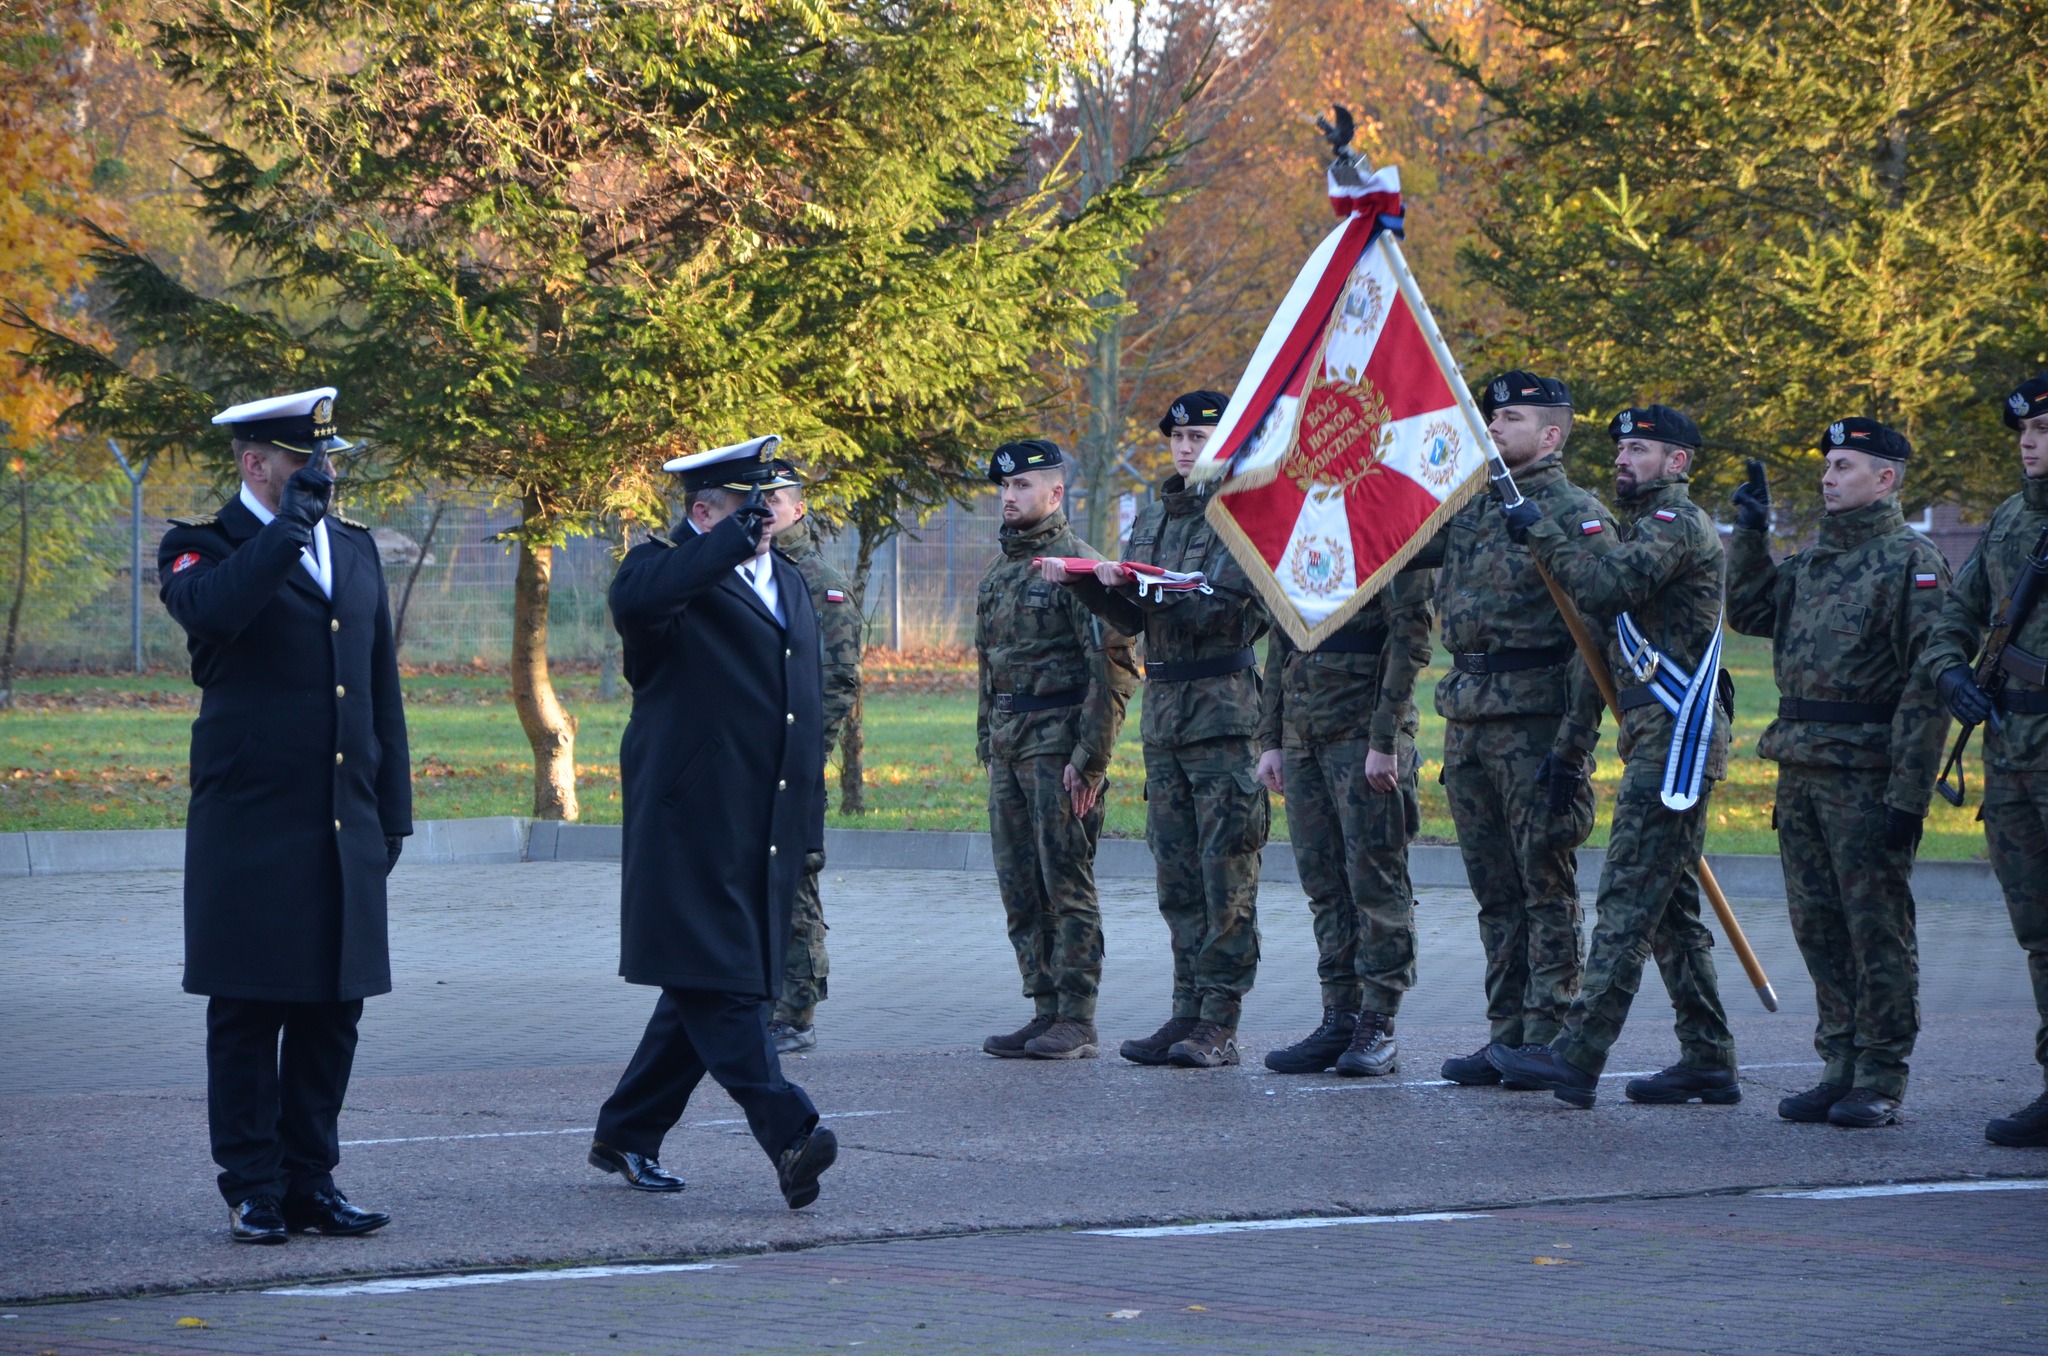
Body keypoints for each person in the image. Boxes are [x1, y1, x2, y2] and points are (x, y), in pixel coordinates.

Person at [158, 387, 409, 1244]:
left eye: (329, 460)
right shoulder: (202, 547)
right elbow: (214, 614)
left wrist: (393, 809)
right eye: (307, 461)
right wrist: (289, 526)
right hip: (252, 821)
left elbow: (378, 687)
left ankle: (311, 1180)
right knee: (247, 1010)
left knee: (332, 1011)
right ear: (255, 461)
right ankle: (252, 1186)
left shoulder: (355, 547)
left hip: (343, 817)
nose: (324, 474)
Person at [590, 436, 837, 1209]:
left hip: (767, 819)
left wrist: (806, 818)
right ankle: (788, 1130)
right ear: (704, 513)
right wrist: (724, 545)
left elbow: (802, 706)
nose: (765, 518)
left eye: (768, 504)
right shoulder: (659, 571)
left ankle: (628, 1129)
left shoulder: (786, 580)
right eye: (745, 507)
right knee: (726, 987)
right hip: (691, 818)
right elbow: (640, 606)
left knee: (711, 981)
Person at [1492, 404, 1739, 1109]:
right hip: (1649, 735)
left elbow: (1604, 590)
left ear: (1677, 462)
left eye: (1639, 449)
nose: (1623, 459)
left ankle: (1577, 1055)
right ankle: (1708, 1057)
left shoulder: (1675, 524)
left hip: (1677, 741)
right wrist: (1571, 747)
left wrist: (1542, 530)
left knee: (1627, 899)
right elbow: (1597, 648)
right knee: (1670, 911)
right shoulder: (1639, 530)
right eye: (1621, 448)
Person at [1726, 419, 1949, 1129]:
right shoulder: (1813, 562)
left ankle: (1880, 1074)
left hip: (1866, 776)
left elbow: (1927, 689)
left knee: (1875, 928)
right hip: (1801, 767)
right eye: (1827, 465)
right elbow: (1751, 611)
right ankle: (1839, 1064)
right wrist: (1752, 534)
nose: (1828, 477)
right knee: (1818, 926)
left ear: (1885, 479)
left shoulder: (1912, 562)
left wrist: (1909, 795)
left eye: (1844, 466)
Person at [1046, 390, 1270, 1068]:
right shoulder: (1152, 517)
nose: (1185, 447)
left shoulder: (1247, 515)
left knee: (1226, 876)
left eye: (1200, 437)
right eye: (1178, 437)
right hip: (1167, 716)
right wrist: (1089, 584)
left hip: (1224, 715)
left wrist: (1142, 586)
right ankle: (1186, 1010)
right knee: (1177, 879)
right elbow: (1135, 620)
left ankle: (1220, 1022)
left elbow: (1225, 611)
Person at [1429, 373, 1608, 1090]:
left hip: (1536, 722)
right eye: (1492, 416)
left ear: (1551, 435)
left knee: (1544, 884)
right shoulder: (1472, 507)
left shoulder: (1575, 513)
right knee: (1494, 890)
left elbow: (1595, 642)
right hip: (1469, 715)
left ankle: (1548, 1032)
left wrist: (1573, 743)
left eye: (1511, 417)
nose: (1494, 426)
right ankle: (1505, 1033)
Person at [976, 440, 1140, 1059]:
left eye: (1023, 485)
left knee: (1066, 882)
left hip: (1059, 749)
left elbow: (1114, 670)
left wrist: (1090, 759)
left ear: (1055, 493)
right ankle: (1044, 1007)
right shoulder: (999, 574)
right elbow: (990, 667)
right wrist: (986, 737)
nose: (1010, 496)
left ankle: (1077, 1016)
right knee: (1020, 886)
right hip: (1009, 746)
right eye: (1005, 487)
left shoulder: (1079, 567)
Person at [1922, 371, 2048, 1149]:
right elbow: (1955, 617)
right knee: (2039, 932)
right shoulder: (2009, 520)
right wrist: (1951, 675)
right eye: (2025, 432)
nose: (2029, 444)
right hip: (2012, 755)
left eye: (2043, 431)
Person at [1256, 570, 1434, 1077]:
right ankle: (1340, 1016)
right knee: (1325, 886)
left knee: (1375, 883)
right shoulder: (1302, 541)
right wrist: (1271, 738)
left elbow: (1410, 639)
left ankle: (1378, 1022)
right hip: (1303, 735)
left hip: (1362, 735)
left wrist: (1385, 738)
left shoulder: (1389, 538)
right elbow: (1281, 641)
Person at [763, 458, 864, 1056]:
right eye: (756, 498)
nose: (764, 507)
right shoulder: (739, 571)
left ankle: (796, 1011)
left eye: (775, 499)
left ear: (799, 509)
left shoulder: (819, 582)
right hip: (745, 762)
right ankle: (757, 1002)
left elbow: (839, 680)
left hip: (793, 763)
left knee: (795, 882)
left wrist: (803, 753)